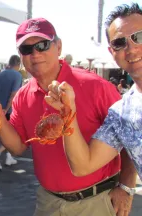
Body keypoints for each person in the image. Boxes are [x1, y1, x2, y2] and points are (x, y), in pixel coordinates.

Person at [0, 17, 136, 216]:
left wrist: (127, 187)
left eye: (42, 45)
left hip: (96, 201)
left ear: (58, 46)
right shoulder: (23, 96)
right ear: (20, 56)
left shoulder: (96, 86)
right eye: (27, 49)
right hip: (48, 202)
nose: (35, 54)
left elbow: (130, 136)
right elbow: (18, 147)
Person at [45, 3, 142, 214]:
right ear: (112, 52)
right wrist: (68, 113)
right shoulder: (122, 113)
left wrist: (126, 186)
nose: (132, 48)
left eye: (139, 36)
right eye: (120, 42)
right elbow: (83, 165)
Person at [0, 55, 23, 169]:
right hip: (10, 110)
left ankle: (9, 157)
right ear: (18, 64)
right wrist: (7, 108)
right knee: (13, 135)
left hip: (0, 109)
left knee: (6, 134)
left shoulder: (0, 74)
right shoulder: (17, 75)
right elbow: (13, 95)